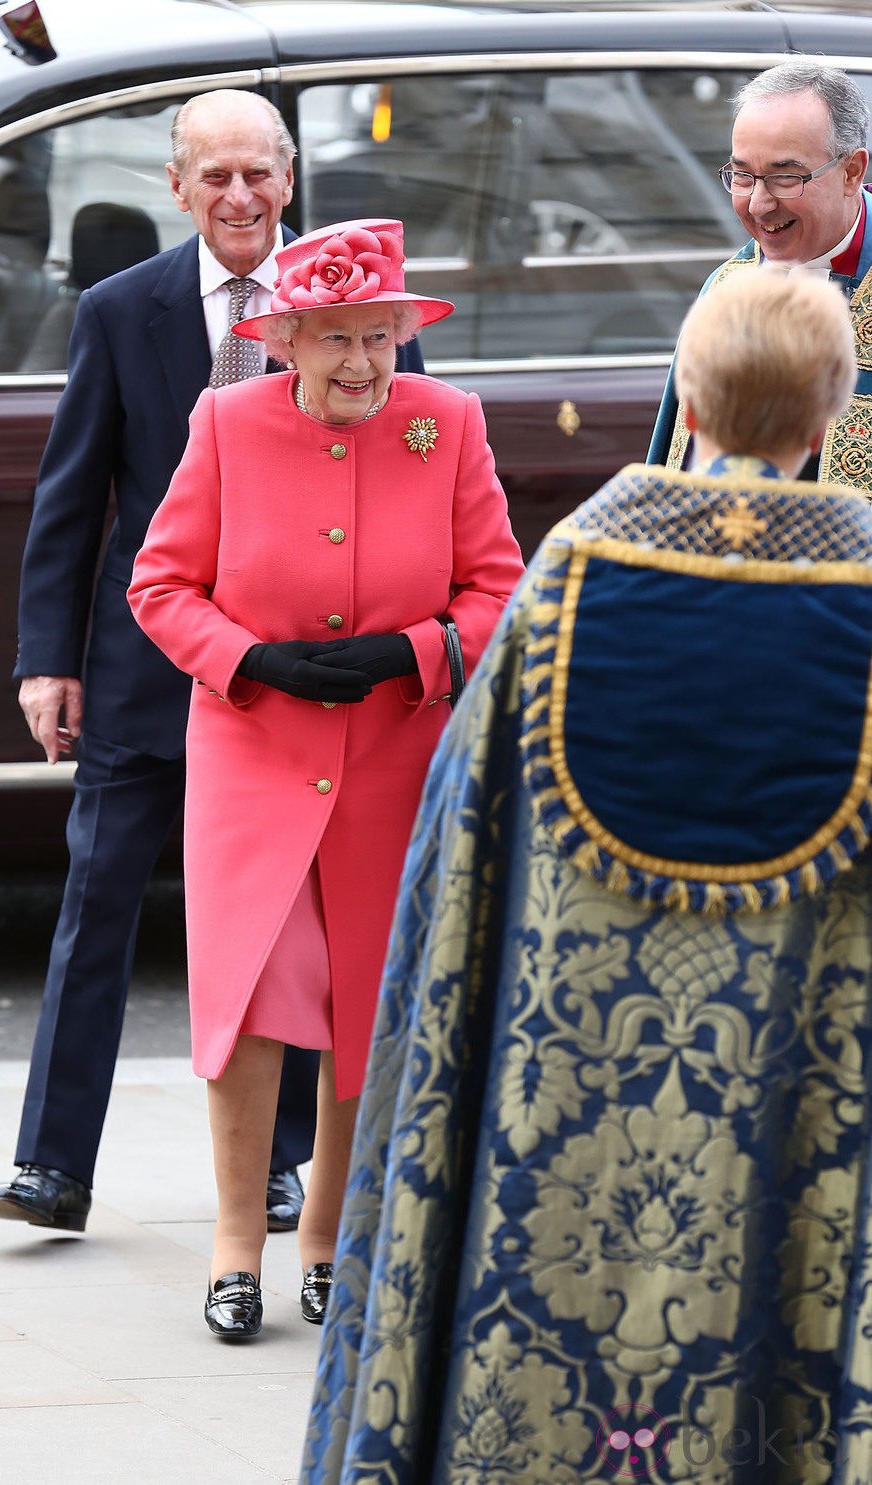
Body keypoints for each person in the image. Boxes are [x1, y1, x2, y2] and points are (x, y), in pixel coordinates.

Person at [300, 269, 872, 1483]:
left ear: (692, 403)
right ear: (827, 417)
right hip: (797, 1110)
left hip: (553, 1126)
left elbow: (455, 869)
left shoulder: (570, 573)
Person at [0, 92, 425, 1238]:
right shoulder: (119, 311)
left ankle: (283, 1171)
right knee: (97, 907)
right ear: (175, 187)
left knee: (299, 923)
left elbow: (397, 472)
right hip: (147, 665)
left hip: (307, 681)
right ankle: (50, 1166)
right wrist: (48, 659)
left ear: (289, 182)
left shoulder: (359, 310)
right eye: (213, 176)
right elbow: (73, 497)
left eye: (258, 175)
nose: (238, 197)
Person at [126, 217, 525, 1340]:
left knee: (363, 995)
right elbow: (160, 587)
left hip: (394, 755)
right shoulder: (224, 421)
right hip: (253, 753)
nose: (361, 364)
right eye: (336, 340)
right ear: (285, 341)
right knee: (251, 997)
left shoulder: (446, 424)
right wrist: (244, 660)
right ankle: (234, 1245)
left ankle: (330, 1239)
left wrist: (413, 652)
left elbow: (499, 588)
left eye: (380, 339)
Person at [649, 57, 871, 488]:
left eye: (785, 178)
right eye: (742, 176)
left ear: (851, 172)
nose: (757, 205)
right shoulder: (726, 288)